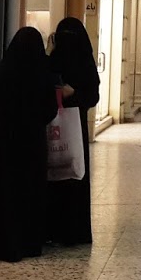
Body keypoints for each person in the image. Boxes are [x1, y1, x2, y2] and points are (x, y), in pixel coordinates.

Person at [0, 28, 59, 262]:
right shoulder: (42, 73)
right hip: (32, 144)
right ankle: (29, 243)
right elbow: (50, 110)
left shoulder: (2, 72)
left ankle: (5, 246)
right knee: (30, 192)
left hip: (5, 144)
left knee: (6, 193)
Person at [47, 18, 100, 246]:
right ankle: (52, 229)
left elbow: (92, 96)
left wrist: (74, 94)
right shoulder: (53, 60)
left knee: (73, 173)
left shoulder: (85, 65)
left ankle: (73, 231)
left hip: (74, 128)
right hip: (52, 126)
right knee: (54, 176)